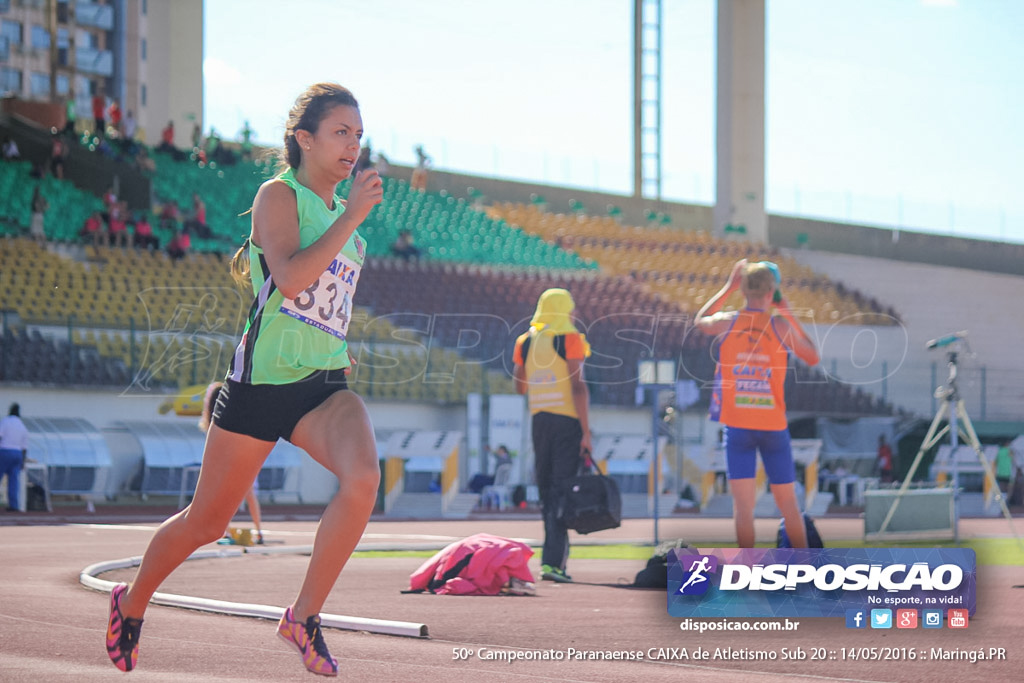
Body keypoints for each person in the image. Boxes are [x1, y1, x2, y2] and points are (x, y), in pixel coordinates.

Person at [104, 82, 383, 676]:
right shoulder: (277, 196)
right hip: (260, 385)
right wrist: (353, 216)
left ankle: (303, 617)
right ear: (304, 139)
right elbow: (290, 280)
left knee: (363, 478)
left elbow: (322, 301)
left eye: (358, 135)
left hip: (324, 384)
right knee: (206, 522)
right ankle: (131, 602)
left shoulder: (349, 227)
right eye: (341, 132)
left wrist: (337, 342)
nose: (352, 145)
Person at [695, 259, 820, 548]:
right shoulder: (779, 325)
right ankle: (804, 569)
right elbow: (813, 356)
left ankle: (748, 569)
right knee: (788, 506)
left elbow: (700, 321)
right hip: (773, 427)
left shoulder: (729, 321)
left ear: (743, 290)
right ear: (772, 292)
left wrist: (727, 287)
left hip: (738, 427)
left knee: (743, 508)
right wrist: (788, 313)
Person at [512, 288, 592, 583]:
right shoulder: (570, 338)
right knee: (561, 490)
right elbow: (578, 387)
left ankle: (551, 560)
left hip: (540, 420)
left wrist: (539, 379)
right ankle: (554, 563)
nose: (573, 314)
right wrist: (586, 432)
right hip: (567, 421)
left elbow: (519, 387)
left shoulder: (526, 340)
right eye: (570, 308)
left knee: (547, 491)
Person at [198, 382, 264, 545]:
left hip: (226, 462)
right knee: (247, 495)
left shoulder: (213, 421)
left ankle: (226, 532)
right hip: (241, 458)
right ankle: (257, 531)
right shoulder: (233, 414)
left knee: (225, 497)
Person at [0, 403, 30, 513]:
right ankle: (14, 505)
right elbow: (25, 447)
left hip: (4, 451)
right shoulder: (22, 425)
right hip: (17, 454)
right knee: (14, 481)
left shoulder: (5, 421)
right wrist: (23, 461)